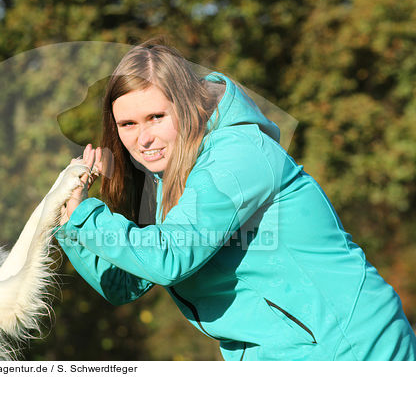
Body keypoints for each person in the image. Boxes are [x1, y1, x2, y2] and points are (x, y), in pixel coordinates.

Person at [55, 40, 416, 360]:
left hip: (349, 349)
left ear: (186, 106)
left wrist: (88, 219)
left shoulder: (236, 159)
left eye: (156, 117)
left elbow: (168, 258)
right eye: (128, 124)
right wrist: (69, 223)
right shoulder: (167, 180)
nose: (143, 138)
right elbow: (125, 283)